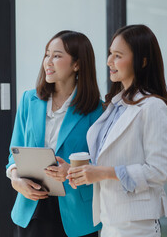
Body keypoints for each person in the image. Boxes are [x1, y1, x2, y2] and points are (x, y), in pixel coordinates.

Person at [67, 24, 167, 237]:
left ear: (142, 61)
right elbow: (110, 161)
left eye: (118, 55)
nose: (109, 61)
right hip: (109, 221)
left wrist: (103, 172)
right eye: (110, 54)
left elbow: (159, 170)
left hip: (137, 226)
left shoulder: (153, 107)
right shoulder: (116, 106)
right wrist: (80, 171)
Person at [6, 30, 103, 237]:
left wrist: (70, 172)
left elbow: (101, 163)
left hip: (76, 213)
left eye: (57, 56)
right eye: (47, 54)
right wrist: (15, 179)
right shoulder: (28, 100)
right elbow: (14, 153)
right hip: (32, 207)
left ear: (77, 64)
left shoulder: (96, 110)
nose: (48, 62)